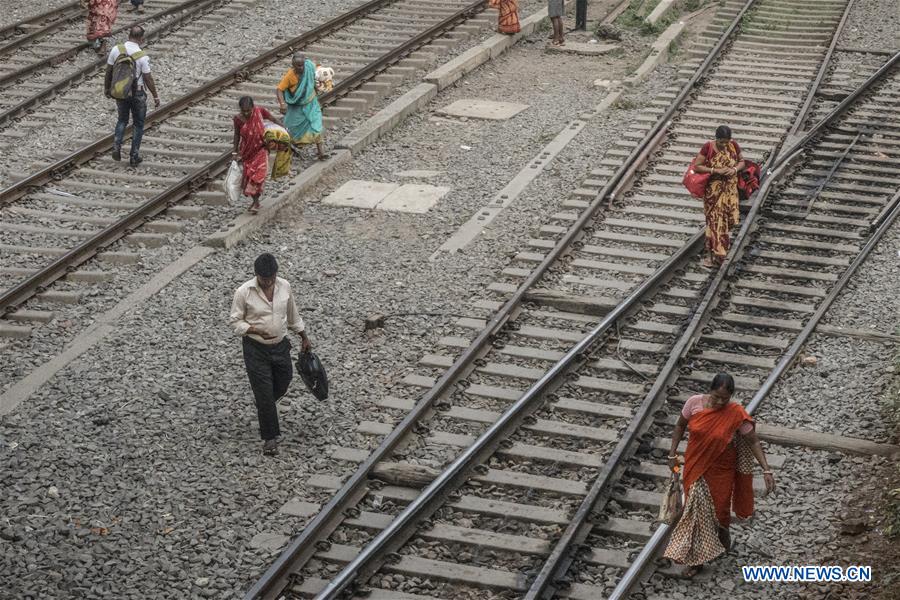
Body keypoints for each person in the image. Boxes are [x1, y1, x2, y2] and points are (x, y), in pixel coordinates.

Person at [663, 373, 776, 578]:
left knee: (719, 512)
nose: (720, 402)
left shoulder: (735, 413)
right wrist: (672, 453)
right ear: (710, 391)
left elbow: (753, 441)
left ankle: (723, 533)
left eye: (725, 398)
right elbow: (680, 426)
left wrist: (766, 469)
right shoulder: (694, 403)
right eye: (716, 397)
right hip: (695, 467)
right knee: (696, 512)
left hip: (722, 471)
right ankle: (697, 560)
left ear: (731, 396)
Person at [229, 253, 312, 456]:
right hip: (255, 348)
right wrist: (255, 330)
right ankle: (270, 438)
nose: (268, 282)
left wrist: (304, 337)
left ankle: (264, 404)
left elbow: (293, 315)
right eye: (264, 279)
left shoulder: (285, 286)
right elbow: (235, 322)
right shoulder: (243, 292)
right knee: (264, 393)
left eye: (271, 278)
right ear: (256, 275)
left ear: (276, 274)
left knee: (284, 379)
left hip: (280, 345)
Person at [104, 26, 160, 168]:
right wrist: (155, 96)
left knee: (122, 119)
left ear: (129, 36)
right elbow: (148, 78)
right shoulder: (142, 56)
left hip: (121, 92)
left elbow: (109, 71)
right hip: (138, 93)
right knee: (138, 124)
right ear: (141, 39)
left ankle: (116, 145)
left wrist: (107, 89)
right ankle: (134, 156)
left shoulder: (116, 50)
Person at [691, 125, 746, 267]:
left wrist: (734, 169)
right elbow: (697, 166)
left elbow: (742, 162)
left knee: (728, 221)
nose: (723, 145)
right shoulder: (708, 147)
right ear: (716, 139)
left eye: (726, 142)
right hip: (714, 193)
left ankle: (718, 251)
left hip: (730, 191)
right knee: (715, 223)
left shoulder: (734, 146)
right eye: (721, 142)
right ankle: (716, 255)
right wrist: (716, 170)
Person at [232, 96, 283, 214]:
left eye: (248, 110)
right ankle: (256, 201)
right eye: (243, 111)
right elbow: (236, 135)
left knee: (258, 176)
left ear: (253, 107)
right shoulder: (237, 119)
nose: (246, 113)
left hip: (261, 149)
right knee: (249, 176)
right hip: (247, 152)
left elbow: (273, 119)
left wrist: (282, 128)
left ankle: (255, 203)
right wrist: (235, 152)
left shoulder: (260, 112)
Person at [276, 53, 327, 161]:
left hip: (312, 103)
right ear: (293, 66)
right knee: (292, 127)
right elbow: (279, 89)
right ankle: (290, 147)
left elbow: (319, 71)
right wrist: (282, 104)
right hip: (297, 106)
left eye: (302, 65)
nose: (301, 68)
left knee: (316, 125)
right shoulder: (290, 76)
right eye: (298, 66)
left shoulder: (309, 67)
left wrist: (323, 81)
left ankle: (321, 152)